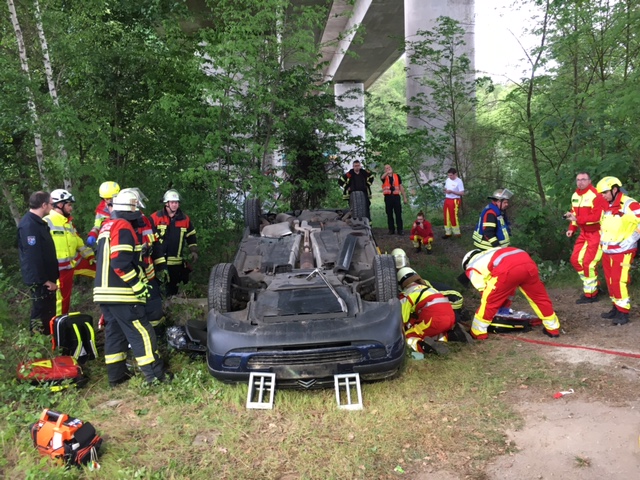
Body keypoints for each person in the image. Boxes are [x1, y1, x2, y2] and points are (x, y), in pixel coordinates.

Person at [94, 189, 167, 386]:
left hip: (105, 293)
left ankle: (116, 376)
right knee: (142, 332)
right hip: (122, 292)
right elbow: (120, 263)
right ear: (131, 210)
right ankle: (155, 376)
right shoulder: (123, 226)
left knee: (115, 333)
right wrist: (137, 285)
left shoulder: (106, 226)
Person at [461, 247, 561, 340]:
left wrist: (497, 307)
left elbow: (486, 293)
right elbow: (508, 288)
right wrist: (505, 305)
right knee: (539, 298)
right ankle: (553, 329)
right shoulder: (491, 252)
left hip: (507, 270)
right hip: (528, 263)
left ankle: (478, 332)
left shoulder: (471, 267)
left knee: (489, 302)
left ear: (466, 264)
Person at [595, 176, 640, 325]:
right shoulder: (608, 205)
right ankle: (616, 307)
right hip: (609, 251)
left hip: (624, 251)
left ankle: (623, 312)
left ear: (615, 189)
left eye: (605, 192)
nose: (603, 195)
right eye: (601, 193)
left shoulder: (629, 204)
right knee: (610, 280)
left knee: (618, 280)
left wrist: (630, 240)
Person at [44, 189, 96, 316]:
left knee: (101, 271)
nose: (71, 208)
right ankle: (57, 331)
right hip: (58, 271)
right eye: (69, 205)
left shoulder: (68, 224)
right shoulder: (46, 222)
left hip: (73, 265)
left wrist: (91, 256)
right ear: (60, 205)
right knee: (61, 302)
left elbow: (79, 244)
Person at [18, 191, 59, 334]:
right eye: (51, 204)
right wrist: (44, 281)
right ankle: (37, 343)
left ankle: (49, 340)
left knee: (48, 311)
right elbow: (33, 257)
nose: (52, 207)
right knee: (40, 311)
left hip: (46, 277)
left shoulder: (39, 223)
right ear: (44, 205)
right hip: (40, 280)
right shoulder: (29, 225)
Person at [564, 172, 606, 304]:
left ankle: (591, 294)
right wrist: (572, 228)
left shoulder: (596, 195)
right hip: (584, 232)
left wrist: (577, 219)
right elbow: (574, 215)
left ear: (589, 181)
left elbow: (596, 217)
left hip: (597, 233)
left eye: (583, 179)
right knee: (575, 260)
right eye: (578, 180)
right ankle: (594, 284)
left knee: (589, 263)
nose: (580, 182)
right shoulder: (575, 195)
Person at [397, 267, 458, 354]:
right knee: (431, 331)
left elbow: (402, 319)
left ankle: (424, 347)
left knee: (406, 336)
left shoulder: (407, 294)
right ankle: (451, 335)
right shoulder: (430, 288)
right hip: (451, 318)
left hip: (434, 320)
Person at [151, 189, 198, 297]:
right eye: (172, 202)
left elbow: (191, 235)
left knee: (173, 289)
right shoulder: (155, 217)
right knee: (157, 289)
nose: (175, 205)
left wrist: (194, 251)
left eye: (176, 202)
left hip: (176, 262)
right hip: (158, 261)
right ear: (166, 203)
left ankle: (171, 308)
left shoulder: (185, 219)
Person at [86, 181, 120, 247]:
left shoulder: (125, 206)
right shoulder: (101, 211)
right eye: (107, 199)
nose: (110, 201)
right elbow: (97, 226)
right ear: (103, 198)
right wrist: (93, 235)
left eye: (112, 198)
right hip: (107, 242)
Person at [380, 164, 408, 235]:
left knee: (398, 213)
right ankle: (391, 229)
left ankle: (400, 230)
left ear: (391, 168)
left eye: (389, 168)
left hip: (396, 197)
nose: (388, 169)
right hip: (388, 197)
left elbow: (401, 187)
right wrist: (387, 173)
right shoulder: (384, 177)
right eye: (386, 168)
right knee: (389, 214)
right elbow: (382, 177)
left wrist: (404, 197)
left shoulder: (397, 176)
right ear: (384, 170)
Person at [443, 168, 464, 239]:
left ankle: (457, 232)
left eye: (451, 175)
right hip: (447, 199)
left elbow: (462, 193)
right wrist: (445, 190)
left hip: (455, 200)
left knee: (453, 216)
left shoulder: (459, 181)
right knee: (446, 216)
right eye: (448, 175)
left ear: (455, 174)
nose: (450, 177)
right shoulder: (448, 180)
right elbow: (446, 188)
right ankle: (448, 232)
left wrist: (452, 192)